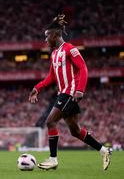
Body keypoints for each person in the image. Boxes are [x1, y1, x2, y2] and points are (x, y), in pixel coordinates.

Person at [28, 14, 111, 170]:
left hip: (71, 92)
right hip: (63, 93)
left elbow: (83, 68)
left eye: (46, 36)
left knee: (50, 121)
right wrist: (37, 87)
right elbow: (51, 76)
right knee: (75, 131)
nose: (45, 40)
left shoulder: (70, 49)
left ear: (54, 34)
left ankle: (53, 159)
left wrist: (80, 90)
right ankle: (104, 150)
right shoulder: (53, 54)